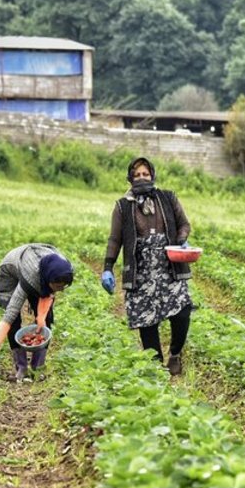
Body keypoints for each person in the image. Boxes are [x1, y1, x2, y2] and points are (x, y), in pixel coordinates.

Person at [101, 156, 194, 375]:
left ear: (152, 175)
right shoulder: (123, 206)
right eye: (137, 175)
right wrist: (107, 267)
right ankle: (155, 366)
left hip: (169, 267)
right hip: (140, 270)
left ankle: (175, 355)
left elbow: (184, 224)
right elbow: (115, 239)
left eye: (145, 174)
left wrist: (181, 240)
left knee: (182, 311)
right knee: (146, 319)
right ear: (130, 179)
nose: (142, 178)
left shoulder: (167, 198)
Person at [0, 244, 74, 381]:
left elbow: (45, 305)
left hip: (41, 270)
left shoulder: (64, 269)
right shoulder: (31, 277)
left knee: (47, 318)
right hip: (10, 272)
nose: (60, 290)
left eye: (64, 286)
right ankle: (21, 367)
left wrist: (42, 319)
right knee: (14, 320)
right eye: (58, 286)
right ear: (49, 280)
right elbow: (11, 313)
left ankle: (37, 367)